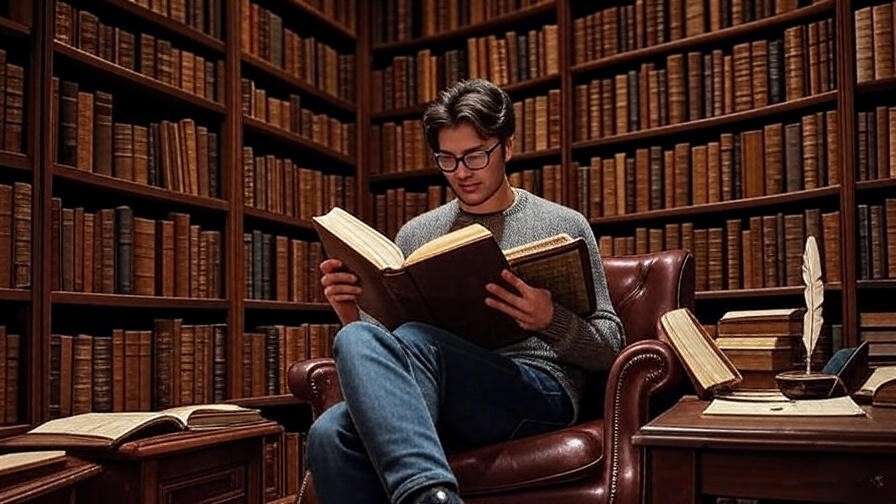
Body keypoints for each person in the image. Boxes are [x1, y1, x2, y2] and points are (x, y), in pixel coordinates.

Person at [307, 79, 625, 504]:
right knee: (332, 421)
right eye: (448, 159)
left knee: (416, 342)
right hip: (436, 390)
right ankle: (433, 496)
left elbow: (611, 348)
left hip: (536, 390)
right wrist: (349, 308)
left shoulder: (563, 224)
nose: (461, 172)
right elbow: (382, 351)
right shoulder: (417, 233)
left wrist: (552, 320)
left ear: (507, 147)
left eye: (476, 155)